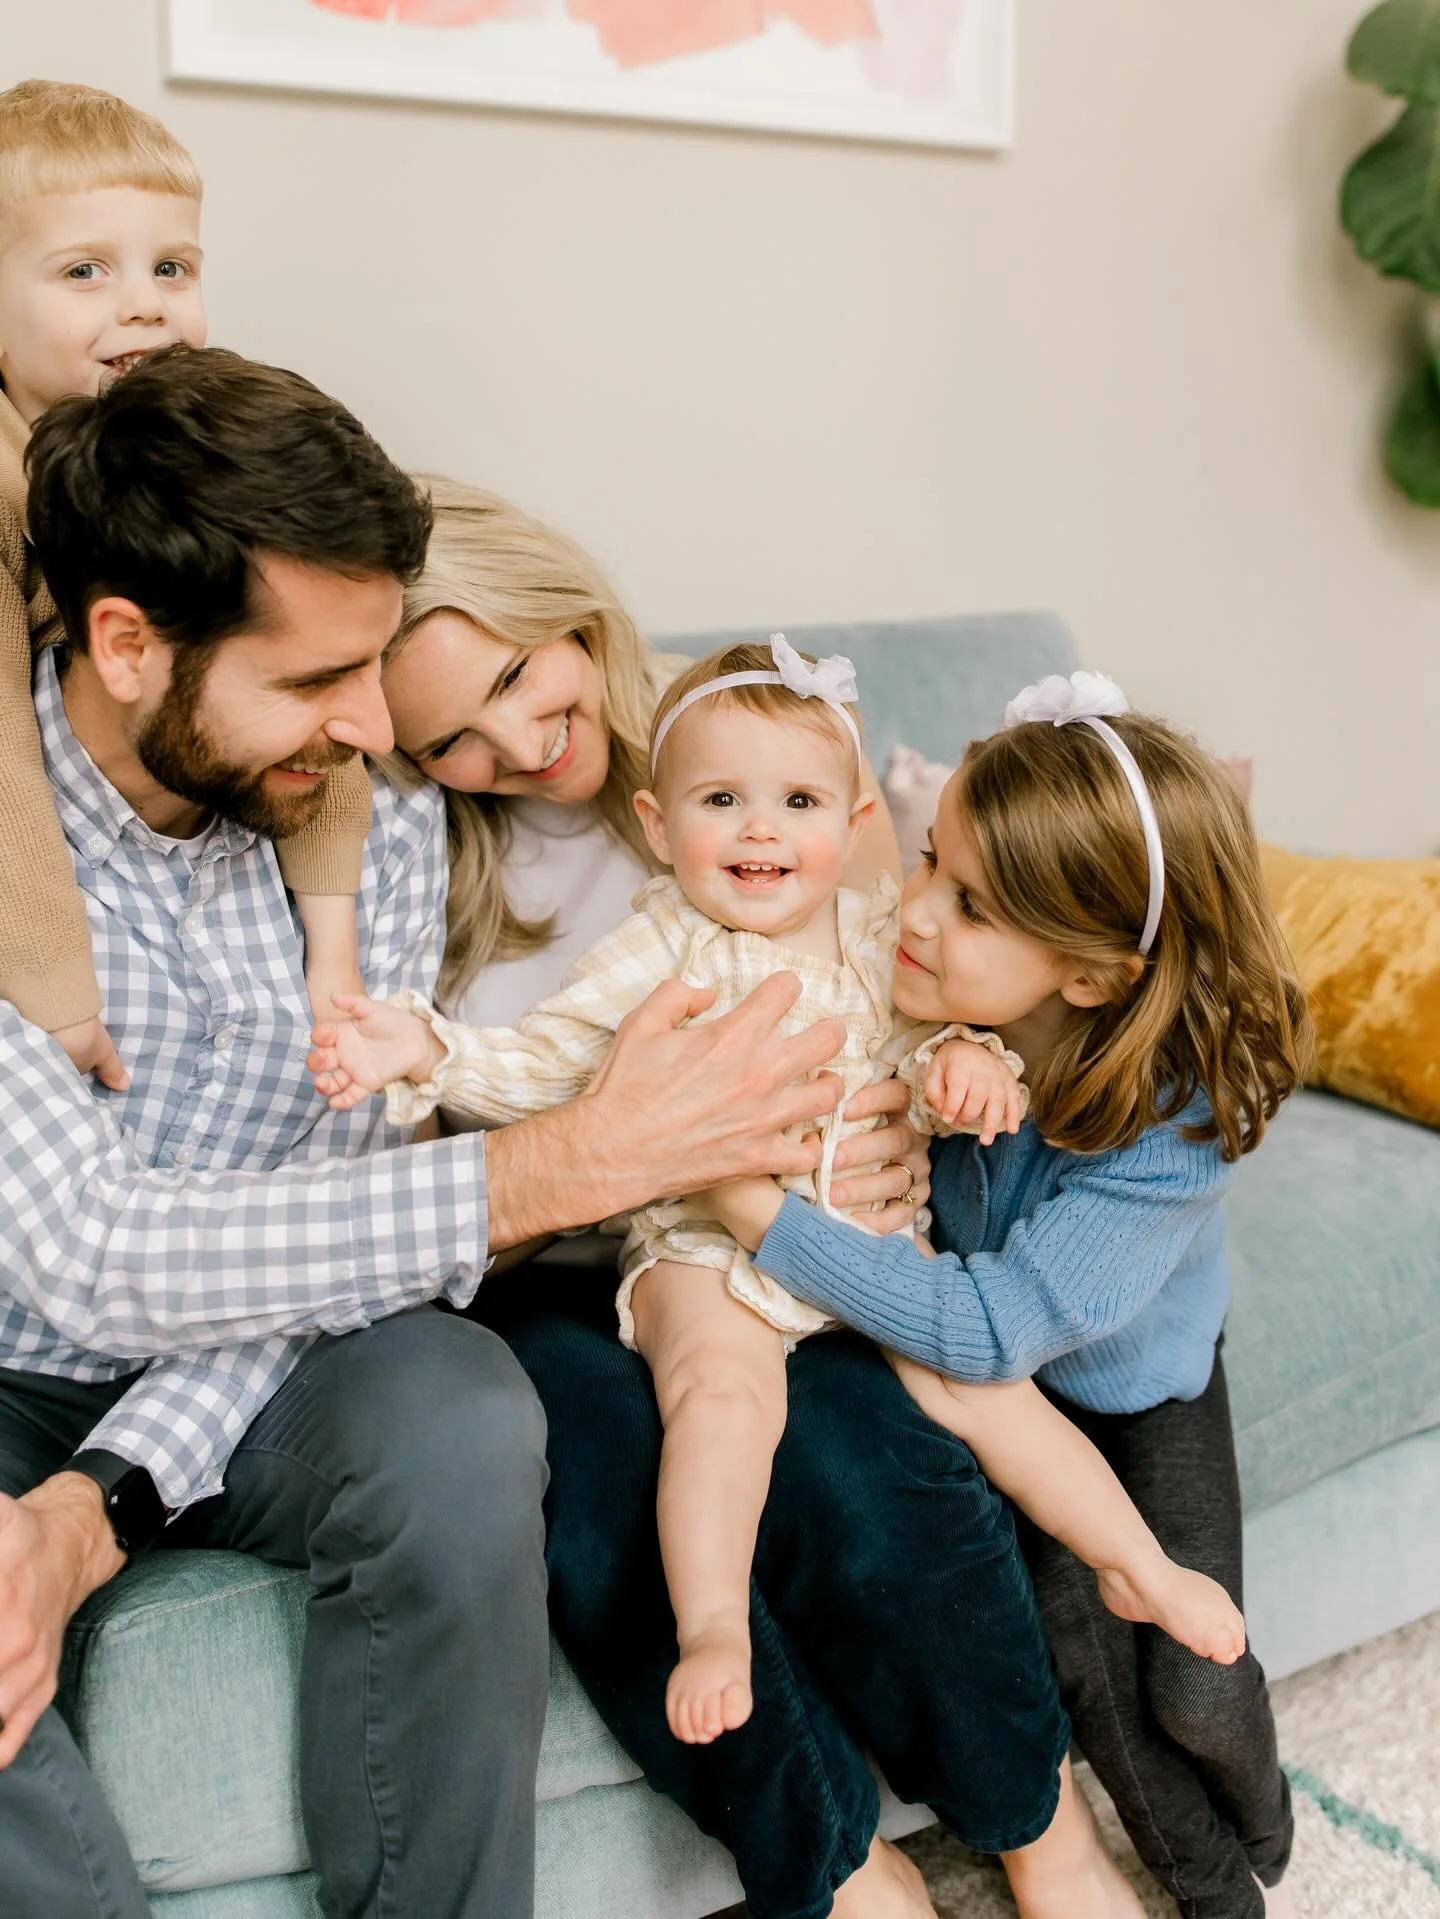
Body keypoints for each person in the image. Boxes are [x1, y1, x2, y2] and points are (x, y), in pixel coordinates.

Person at [0, 347, 856, 1919]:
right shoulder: (13, 866)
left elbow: (334, 1233)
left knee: (455, 1400)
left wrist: (104, 1499)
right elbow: (97, 1251)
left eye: (375, 661)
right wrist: (577, 1156)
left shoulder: (369, 824)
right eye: (313, 680)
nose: (373, 723)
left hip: (272, 1348)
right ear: (126, 642)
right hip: (16, 1344)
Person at [375, 489, 1160, 1919]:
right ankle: (841, 1864)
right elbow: (484, 1108)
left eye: (512, 679)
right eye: (450, 740)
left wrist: (922, 1108)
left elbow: (915, 989)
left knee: (871, 1456)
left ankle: (1037, 1822)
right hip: (571, 1251)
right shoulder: (431, 859)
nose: (507, 746)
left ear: (566, 615)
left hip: (812, 1215)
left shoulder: (763, 731)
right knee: (600, 1489)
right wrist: (652, 1158)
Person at [315, 635, 1245, 1760]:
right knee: (719, 1395)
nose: (760, 829)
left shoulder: (875, 934)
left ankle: (1137, 1562)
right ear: (660, 828)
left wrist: (972, 1066)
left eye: (797, 799)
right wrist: (428, 1049)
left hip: (869, 1240)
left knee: (985, 1395)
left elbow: (937, 1038)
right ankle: (711, 1627)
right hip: (705, 1248)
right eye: (722, 800)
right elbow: (547, 1062)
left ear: (854, 824)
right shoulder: (656, 949)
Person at [697, 670, 1311, 1919]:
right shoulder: (918, 1009)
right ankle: (1212, 1893)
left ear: (1087, 976)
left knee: (1194, 1680)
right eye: (929, 860)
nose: (910, 910)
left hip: (1139, 1384)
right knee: (1080, 1651)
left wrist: (762, 1217)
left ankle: (1269, 1827)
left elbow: (983, 1329)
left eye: (967, 905)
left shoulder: (1173, 1124)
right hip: (1014, 1390)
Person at [0, 78, 374, 1090]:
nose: (144, 302)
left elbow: (325, 678)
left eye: (172, 266)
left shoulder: (206, 443)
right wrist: (60, 997)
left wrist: (331, 951)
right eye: (85, 270)